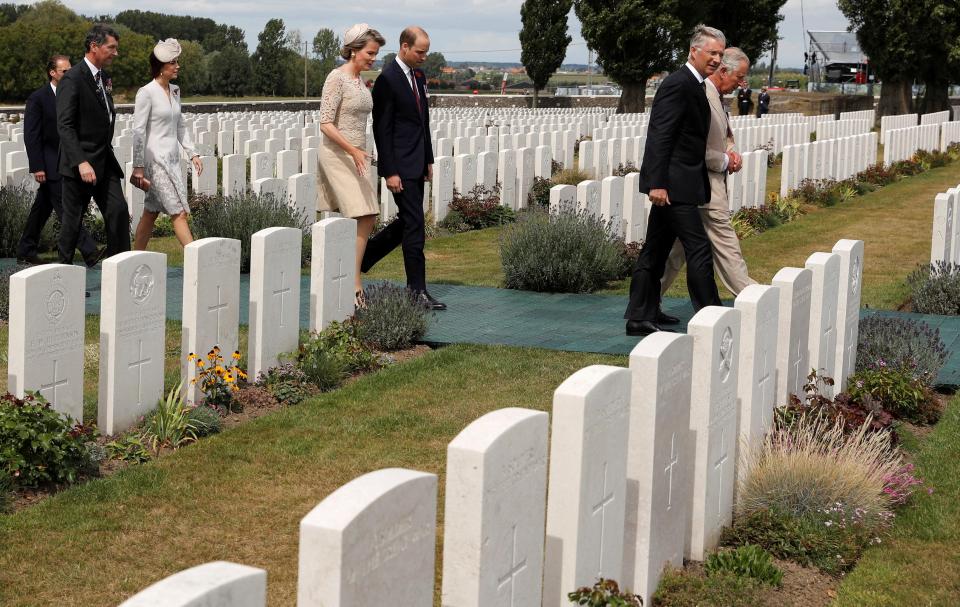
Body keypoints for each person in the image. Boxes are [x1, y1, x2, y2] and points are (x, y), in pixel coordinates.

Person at [623, 24, 726, 337]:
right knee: (698, 248)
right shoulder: (678, 84)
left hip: (681, 184)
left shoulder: (695, 84)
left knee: (655, 249)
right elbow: (660, 136)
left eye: (721, 54)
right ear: (694, 51)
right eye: (712, 53)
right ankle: (711, 316)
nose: (717, 60)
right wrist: (657, 183)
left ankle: (642, 314)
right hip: (672, 186)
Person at [360, 26, 446, 310]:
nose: (424, 57)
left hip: (417, 162)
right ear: (404, 47)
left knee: (410, 222)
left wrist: (428, 159)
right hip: (399, 166)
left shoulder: (419, 77)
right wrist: (390, 171)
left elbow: (424, 122)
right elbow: (382, 130)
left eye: (426, 52)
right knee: (416, 225)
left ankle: (365, 256)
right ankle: (417, 291)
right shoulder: (388, 80)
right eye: (420, 52)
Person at [660, 47, 757, 298]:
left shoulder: (716, 97)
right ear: (724, 71)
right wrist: (725, 161)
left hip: (701, 188)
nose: (741, 84)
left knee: (675, 253)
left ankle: (646, 301)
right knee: (727, 250)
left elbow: (722, 136)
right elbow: (696, 147)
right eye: (739, 77)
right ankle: (755, 300)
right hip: (705, 188)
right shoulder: (704, 96)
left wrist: (732, 153)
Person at [317, 24, 385, 307]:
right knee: (363, 211)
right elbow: (325, 123)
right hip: (337, 153)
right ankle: (354, 281)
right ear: (354, 50)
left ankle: (346, 272)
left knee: (367, 214)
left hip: (358, 153)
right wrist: (352, 150)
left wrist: (363, 152)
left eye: (376, 54)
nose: (373, 58)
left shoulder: (361, 81)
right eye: (370, 53)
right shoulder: (337, 78)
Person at [16, 55, 102, 267]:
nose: (69, 74)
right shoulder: (38, 98)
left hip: (68, 160)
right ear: (52, 73)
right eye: (64, 71)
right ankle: (90, 251)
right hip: (50, 162)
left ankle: (26, 249)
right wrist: (37, 166)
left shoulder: (74, 93)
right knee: (67, 209)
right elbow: (32, 135)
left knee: (42, 208)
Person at [57, 24, 130, 264]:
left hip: (104, 159)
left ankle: (120, 270)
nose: (115, 53)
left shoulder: (105, 78)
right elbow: (65, 125)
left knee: (118, 211)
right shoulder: (73, 79)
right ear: (94, 47)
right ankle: (62, 278)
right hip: (80, 163)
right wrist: (80, 161)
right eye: (112, 48)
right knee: (72, 222)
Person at [131, 39, 202, 250]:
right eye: (173, 62)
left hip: (172, 160)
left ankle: (135, 257)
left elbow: (180, 125)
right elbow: (138, 130)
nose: (177, 66)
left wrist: (192, 153)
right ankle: (196, 259)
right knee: (178, 211)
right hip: (155, 161)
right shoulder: (146, 92)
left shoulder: (175, 90)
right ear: (161, 67)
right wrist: (138, 165)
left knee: (150, 212)